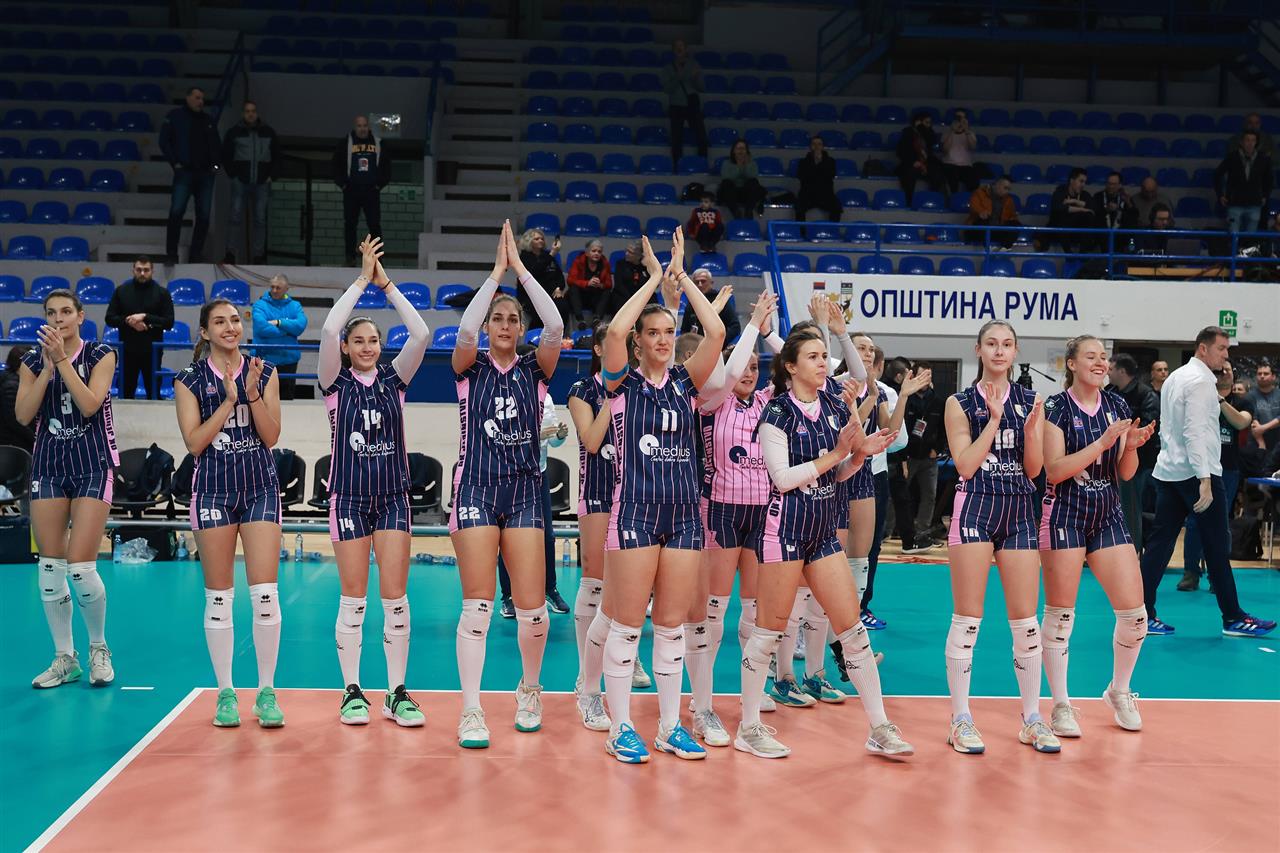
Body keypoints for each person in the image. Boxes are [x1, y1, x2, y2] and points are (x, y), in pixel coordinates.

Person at [579, 229, 725, 764]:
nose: (664, 340)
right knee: (626, 624)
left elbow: (716, 332)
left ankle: (668, 727)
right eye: (654, 333)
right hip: (634, 514)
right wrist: (652, 281)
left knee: (671, 628)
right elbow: (616, 328)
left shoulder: (687, 383)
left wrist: (681, 279)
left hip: (684, 517)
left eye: (669, 332)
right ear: (639, 342)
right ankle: (621, 727)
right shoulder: (621, 383)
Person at [738, 327, 909, 759]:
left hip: (822, 532)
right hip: (783, 531)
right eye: (812, 357)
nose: (822, 363)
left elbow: (840, 473)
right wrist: (837, 454)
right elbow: (783, 479)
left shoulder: (833, 405)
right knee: (768, 632)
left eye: (822, 355)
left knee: (853, 631)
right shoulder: (776, 413)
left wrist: (859, 455)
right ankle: (748, 726)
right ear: (791, 367)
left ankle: (879, 727)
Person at [449, 221, 564, 749]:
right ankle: (472, 709)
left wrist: (520, 271)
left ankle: (530, 688)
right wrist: (496, 275)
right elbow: (464, 331)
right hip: (475, 488)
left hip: (522, 491)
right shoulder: (468, 367)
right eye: (497, 317)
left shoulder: (535, 370)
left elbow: (555, 324)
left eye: (512, 319)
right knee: (477, 605)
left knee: (533, 607)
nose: (504, 324)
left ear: (521, 328)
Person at [319, 236, 430, 726]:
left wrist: (386, 286)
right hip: (347, 498)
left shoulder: (393, 380)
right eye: (359, 341)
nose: (367, 347)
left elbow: (421, 334)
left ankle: (397, 692)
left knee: (396, 599)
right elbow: (328, 328)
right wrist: (361, 280)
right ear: (346, 348)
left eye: (373, 341)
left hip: (392, 499)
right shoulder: (334, 382)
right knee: (354, 598)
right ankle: (351, 691)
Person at [943, 321, 1058, 755]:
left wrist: (1030, 433)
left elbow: (1034, 469)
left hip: (1019, 511)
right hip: (975, 506)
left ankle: (1032, 718)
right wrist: (993, 421)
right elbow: (965, 465)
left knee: (1026, 623)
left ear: (1015, 352)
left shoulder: (1032, 401)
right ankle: (960, 719)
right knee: (967, 620)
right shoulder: (959, 402)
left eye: (1007, 344)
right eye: (991, 343)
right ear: (978, 349)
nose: (999, 351)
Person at [1039, 336, 1157, 737]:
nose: (1100, 362)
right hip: (1064, 515)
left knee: (1135, 616)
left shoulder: (1118, 406)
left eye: (1104, 356)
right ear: (1072, 364)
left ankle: (1119, 690)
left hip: (1107, 514)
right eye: (1090, 356)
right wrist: (1103, 443)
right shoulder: (1055, 407)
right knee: (1060, 617)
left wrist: (1131, 447)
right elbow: (1055, 470)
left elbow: (1124, 473)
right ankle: (1060, 704)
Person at [174, 299, 285, 728]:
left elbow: (271, 436)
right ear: (205, 332)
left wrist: (251, 394)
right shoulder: (189, 379)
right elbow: (193, 443)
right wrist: (228, 402)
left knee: (265, 595)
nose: (230, 327)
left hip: (260, 489)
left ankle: (266, 692)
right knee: (219, 598)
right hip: (212, 492)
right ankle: (225, 693)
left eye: (235, 320)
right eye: (219, 321)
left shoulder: (265, 371)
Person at [683, 294, 784, 746]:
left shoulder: (768, 403)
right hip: (720, 510)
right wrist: (752, 326)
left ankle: (750, 698)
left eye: (756, 368)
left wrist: (769, 334)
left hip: (762, 514)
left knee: (755, 614)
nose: (749, 373)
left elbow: (804, 370)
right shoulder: (714, 400)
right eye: (743, 366)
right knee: (714, 613)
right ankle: (701, 701)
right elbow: (728, 373)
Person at [1138, 326, 1275, 638]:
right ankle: (1234, 617)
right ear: (1203, 348)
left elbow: (1171, 428)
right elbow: (1195, 431)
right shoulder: (1200, 381)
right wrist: (1204, 478)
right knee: (1216, 545)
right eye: (1222, 348)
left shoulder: (1176, 377)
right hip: (1198, 473)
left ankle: (1140, 614)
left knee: (1159, 544)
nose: (1226, 355)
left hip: (1171, 471)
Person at [16, 290, 118, 690]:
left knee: (80, 567)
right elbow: (23, 414)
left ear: (80, 316)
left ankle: (98, 648)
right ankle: (65, 658)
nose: (57, 319)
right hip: (49, 466)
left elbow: (90, 404)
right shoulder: (31, 360)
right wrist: (45, 369)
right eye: (51, 313)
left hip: (93, 464)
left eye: (65, 312)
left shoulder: (101, 354)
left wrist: (61, 361)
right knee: (49, 567)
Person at [568, 323, 618, 732]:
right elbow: (591, 441)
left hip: (635, 494)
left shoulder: (640, 385)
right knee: (596, 579)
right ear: (600, 350)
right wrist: (614, 397)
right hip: (599, 492)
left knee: (628, 587)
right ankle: (587, 678)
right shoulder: (583, 390)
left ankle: (622, 658)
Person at [496, 379, 570, 618]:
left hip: (538, 474)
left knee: (547, 536)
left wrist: (559, 435)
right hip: (510, 476)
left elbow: (553, 440)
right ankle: (508, 596)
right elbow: (502, 437)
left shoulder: (545, 398)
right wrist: (536, 435)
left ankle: (550, 589)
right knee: (507, 539)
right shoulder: (503, 398)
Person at [1179, 362, 1252, 591]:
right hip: (1199, 467)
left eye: (1227, 370)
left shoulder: (1242, 401)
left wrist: (1218, 399)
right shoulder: (1199, 396)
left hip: (1227, 469)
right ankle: (1191, 572)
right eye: (1218, 370)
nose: (1223, 373)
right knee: (1194, 520)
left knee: (1220, 524)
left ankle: (1217, 576)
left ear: (1234, 375)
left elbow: (1241, 421)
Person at [860, 347, 911, 629]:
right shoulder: (831, 385)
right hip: (839, 475)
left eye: (871, 350)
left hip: (874, 475)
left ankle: (861, 606)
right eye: (860, 348)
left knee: (872, 546)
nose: (866, 354)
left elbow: (895, 437)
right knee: (834, 545)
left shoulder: (883, 392)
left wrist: (902, 396)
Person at [159, 87, 221, 263]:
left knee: (204, 216)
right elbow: (164, 141)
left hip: (205, 174)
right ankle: (171, 254)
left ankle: (195, 254)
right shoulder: (175, 116)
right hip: (185, 171)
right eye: (197, 97)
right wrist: (175, 163)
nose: (201, 101)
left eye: (202, 98)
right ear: (188, 98)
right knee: (176, 212)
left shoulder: (208, 120)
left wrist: (215, 165)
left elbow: (216, 145)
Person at [1107, 353, 1160, 551]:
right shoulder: (1109, 392)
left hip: (1140, 464)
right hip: (1110, 462)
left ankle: (1133, 549)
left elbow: (1148, 428)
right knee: (1114, 507)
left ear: (1121, 371)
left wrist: (1125, 436)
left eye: (1110, 369)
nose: (1107, 372)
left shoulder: (1146, 395)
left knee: (1133, 508)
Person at [104, 256, 175, 400]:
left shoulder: (162, 293)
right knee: (126, 392)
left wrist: (145, 316)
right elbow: (109, 318)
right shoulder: (121, 291)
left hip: (153, 351)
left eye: (146, 270)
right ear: (133, 270)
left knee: (153, 393)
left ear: (152, 271)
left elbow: (169, 322)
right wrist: (129, 321)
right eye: (139, 270)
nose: (142, 273)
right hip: (127, 350)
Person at [221, 100, 278, 265]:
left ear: (257, 113)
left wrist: (272, 176)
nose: (250, 114)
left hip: (262, 182)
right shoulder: (234, 132)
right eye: (247, 111)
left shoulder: (268, 132)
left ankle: (258, 256)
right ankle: (230, 253)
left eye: (253, 111)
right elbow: (226, 155)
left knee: (260, 220)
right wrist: (233, 175)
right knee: (235, 217)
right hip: (241, 181)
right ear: (243, 113)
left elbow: (277, 156)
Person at [900, 360, 946, 552]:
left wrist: (938, 448)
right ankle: (893, 529)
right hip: (908, 456)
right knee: (901, 494)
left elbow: (944, 428)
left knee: (929, 495)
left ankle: (923, 530)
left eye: (928, 375)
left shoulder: (938, 401)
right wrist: (902, 457)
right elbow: (899, 428)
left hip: (929, 457)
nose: (925, 379)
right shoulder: (906, 399)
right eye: (922, 375)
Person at [334, 115, 391, 265]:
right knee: (350, 224)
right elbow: (335, 165)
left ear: (369, 127)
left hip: (371, 191)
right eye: (359, 126)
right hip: (351, 191)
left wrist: (378, 185)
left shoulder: (378, 143)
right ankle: (350, 257)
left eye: (365, 125)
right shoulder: (345, 143)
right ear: (355, 127)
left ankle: (377, 258)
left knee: (374, 224)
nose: (362, 129)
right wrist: (344, 185)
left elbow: (387, 167)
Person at [250, 275, 307, 401]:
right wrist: (288, 330)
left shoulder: (295, 306)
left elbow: (301, 325)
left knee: (287, 401)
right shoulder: (259, 305)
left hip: (288, 360)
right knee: (262, 400)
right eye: (272, 287)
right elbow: (261, 328)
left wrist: (279, 322)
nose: (274, 290)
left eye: (278, 288)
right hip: (263, 360)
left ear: (287, 289)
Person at [1215, 129, 1273, 235]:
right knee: (1234, 234)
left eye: (1253, 140)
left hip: (1255, 203)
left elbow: (1269, 180)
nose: (1250, 143)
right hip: (1234, 203)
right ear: (1242, 142)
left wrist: (1265, 195)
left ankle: (1246, 247)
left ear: (1256, 142)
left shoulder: (1263, 159)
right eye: (1247, 140)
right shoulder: (1232, 157)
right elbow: (1217, 175)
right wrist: (1220, 194)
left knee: (1250, 237)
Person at [660, 39, 707, 168]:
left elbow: (702, 88)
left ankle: (703, 163)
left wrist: (695, 78)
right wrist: (678, 76)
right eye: (676, 46)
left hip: (692, 103)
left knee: (701, 136)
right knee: (676, 138)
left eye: (681, 46)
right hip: (676, 105)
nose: (679, 48)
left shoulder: (694, 65)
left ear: (686, 49)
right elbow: (667, 89)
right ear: (673, 50)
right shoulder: (668, 68)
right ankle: (677, 166)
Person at [516, 228, 569, 329]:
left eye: (542, 239)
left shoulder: (547, 255)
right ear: (529, 241)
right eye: (536, 239)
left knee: (563, 306)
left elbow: (559, 275)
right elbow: (534, 272)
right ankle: (535, 335)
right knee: (543, 311)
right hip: (530, 295)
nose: (540, 240)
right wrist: (552, 254)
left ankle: (560, 334)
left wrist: (558, 288)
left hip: (550, 294)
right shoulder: (524, 257)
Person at [678, 268, 741, 342]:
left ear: (711, 283)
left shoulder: (720, 301)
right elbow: (684, 330)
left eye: (703, 281)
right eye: (697, 282)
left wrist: (719, 341)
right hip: (696, 345)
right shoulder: (691, 301)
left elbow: (735, 327)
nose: (700, 284)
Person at [895, 110, 942, 206]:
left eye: (929, 123)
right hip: (911, 162)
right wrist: (913, 162)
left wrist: (923, 130)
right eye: (926, 122)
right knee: (909, 174)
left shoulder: (929, 133)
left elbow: (932, 141)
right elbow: (901, 152)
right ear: (918, 122)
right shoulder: (908, 133)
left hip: (926, 163)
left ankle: (932, 201)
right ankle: (909, 202)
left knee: (937, 174)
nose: (928, 125)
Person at [965, 175, 1022, 248]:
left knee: (1016, 224)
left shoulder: (1008, 199)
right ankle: (986, 248)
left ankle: (1004, 249)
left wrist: (1013, 220)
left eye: (1009, 189)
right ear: (997, 184)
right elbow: (974, 206)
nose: (1007, 191)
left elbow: (1012, 216)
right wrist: (981, 212)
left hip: (997, 229)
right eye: (1005, 188)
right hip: (980, 229)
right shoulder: (979, 193)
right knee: (983, 221)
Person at [795, 135, 841, 224]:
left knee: (837, 207)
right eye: (814, 144)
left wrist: (820, 163)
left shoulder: (830, 161)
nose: (816, 147)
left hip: (825, 193)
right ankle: (801, 231)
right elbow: (802, 177)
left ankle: (832, 230)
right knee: (799, 207)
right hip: (807, 193)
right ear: (810, 147)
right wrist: (815, 164)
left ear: (823, 147)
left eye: (819, 144)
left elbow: (830, 175)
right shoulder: (803, 162)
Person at [565, 239, 613, 324]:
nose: (596, 254)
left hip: (596, 296)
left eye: (599, 252)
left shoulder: (605, 263)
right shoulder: (578, 261)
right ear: (587, 253)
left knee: (607, 292)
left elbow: (609, 284)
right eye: (593, 251)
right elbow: (570, 280)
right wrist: (587, 283)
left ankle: (597, 319)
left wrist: (601, 285)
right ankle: (580, 319)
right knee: (573, 289)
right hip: (581, 295)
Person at [1048, 168, 1095, 253]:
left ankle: (1083, 253)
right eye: (1081, 181)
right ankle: (1068, 253)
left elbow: (1092, 209)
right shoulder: (1060, 192)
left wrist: (1075, 201)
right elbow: (1058, 208)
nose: (1083, 185)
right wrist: (1081, 209)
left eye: (1084, 182)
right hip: (1061, 231)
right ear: (1071, 180)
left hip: (1077, 232)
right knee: (1061, 216)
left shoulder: (1085, 195)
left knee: (1089, 216)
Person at [718, 140, 766, 220]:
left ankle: (748, 211)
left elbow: (752, 176)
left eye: (743, 148)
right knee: (726, 183)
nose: (740, 151)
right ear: (733, 151)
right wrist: (739, 165)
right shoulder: (726, 163)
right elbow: (727, 177)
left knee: (753, 182)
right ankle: (736, 212)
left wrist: (746, 164)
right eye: (738, 148)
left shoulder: (752, 163)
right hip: (731, 193)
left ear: (747, 151)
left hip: (746, 193)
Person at [0, 345, 35, 452]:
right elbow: (16, 422)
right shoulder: (11, 386)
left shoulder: (11, 380)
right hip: (14, 444)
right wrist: (35, 440)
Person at [940, 108, 979, 195]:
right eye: (958, 117)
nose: (960, 120)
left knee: (973, 178)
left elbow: (972, 147)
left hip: (965, 165)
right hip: (949, 164)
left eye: (962, 118)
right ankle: (954, 198)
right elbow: (945, 150)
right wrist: (952, 131)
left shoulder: (970, 133)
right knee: (951, 175)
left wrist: (967, 130)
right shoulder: (947, 133)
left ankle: (970, 199)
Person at [610, 241, 659, 309]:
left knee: (652, 299)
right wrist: (632, 299)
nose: (626, 254)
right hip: (625, 295)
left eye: (631, 252)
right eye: (626, 251)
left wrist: (647, 264)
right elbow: (619, 285)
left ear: (639, 256)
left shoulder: (645, 266)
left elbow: (653, 284)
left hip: (641, 295)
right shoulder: (620, 264)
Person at [1244, 361, 1279, 456]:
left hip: (1277, 443)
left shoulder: (1279, 394)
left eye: (1266, 374)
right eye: (1259, 374)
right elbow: (1253, 419)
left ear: (1273, 376)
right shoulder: (1250, 396)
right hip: (1256, 443)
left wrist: (1263, 428)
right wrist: (1261, 443)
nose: (1262, 376)